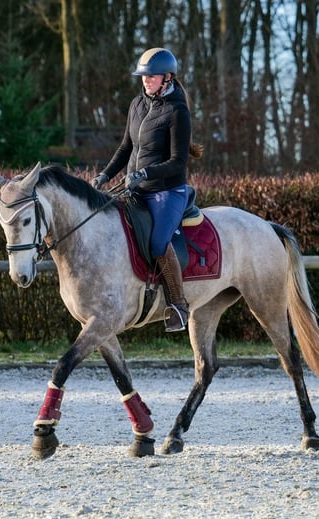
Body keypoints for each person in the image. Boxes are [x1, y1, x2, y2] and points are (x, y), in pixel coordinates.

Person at [92, 47, 204, 332]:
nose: (145, 80)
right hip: (136, 189)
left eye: (151, 76)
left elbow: (178, 161)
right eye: (143, 76)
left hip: (167, 192)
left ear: (167, 77)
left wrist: (144, 173)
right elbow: (125, 147)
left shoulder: (178, 110)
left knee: (157, 244)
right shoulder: (137, 105)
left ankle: (178, 305)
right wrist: (105, 175)